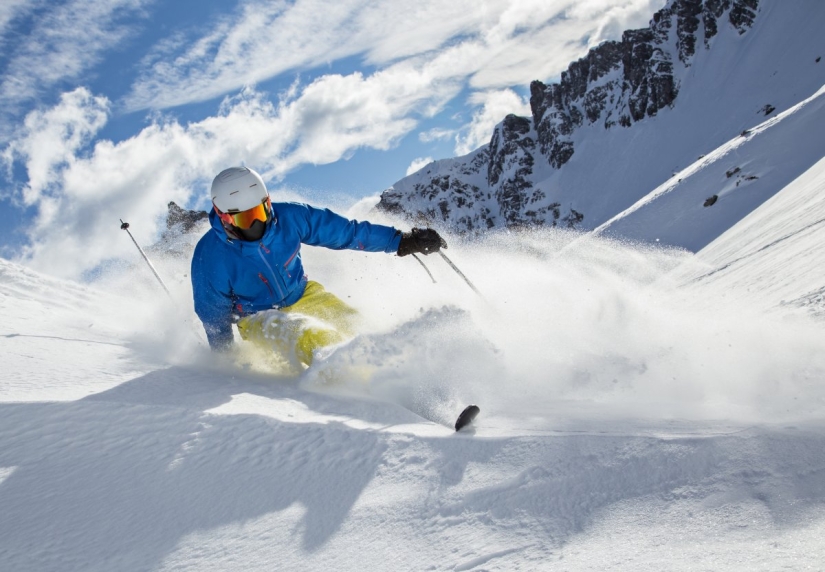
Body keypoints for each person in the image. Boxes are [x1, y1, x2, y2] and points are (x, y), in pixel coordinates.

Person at [191, 166, 446, 369]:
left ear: (268, 203)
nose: (256, 225)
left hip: (304, 294)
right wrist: (225, 365)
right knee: (315, 338)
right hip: (257, 318)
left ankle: (408, 378)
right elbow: (213, 317)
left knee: (360, 328)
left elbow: (346, 232)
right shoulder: (210, 255)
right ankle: (369, 392)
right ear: (224, 216)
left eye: (260, 212)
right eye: (245, 218)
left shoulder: (290, 217)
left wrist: (400, 241)